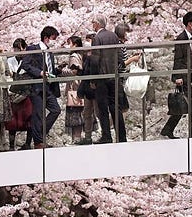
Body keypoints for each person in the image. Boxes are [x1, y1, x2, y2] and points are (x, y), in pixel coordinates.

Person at [165, 11, 192, 139]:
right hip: (182, 75)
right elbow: (178, 58)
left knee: (184, 103)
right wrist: (177, 77)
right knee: (191, 102)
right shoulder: (181, 38)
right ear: (190, 23)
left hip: (190, 74)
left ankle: (168, 129)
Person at [21, 26, 62, 149]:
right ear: (46, 37)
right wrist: (39, 72)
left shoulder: (49, 52)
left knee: (56, 110)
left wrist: (58, 71)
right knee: (38, 114)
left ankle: (39, 133)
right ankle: (38, 141)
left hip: (48, 87)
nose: (55, 41)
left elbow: (50, 68)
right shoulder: (33, 48)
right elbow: (25, 64)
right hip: (36, 86)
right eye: (53, 38)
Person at [90, 15, 126, 143]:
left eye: (93, 22)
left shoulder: (97, 38)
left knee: (103, 108)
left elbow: (95, 60)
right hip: (114, 76)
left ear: (98, 24)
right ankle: (122, 137)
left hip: (102, 78)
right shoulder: (113, 36)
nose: (92, 25)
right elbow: (120, 55)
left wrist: (93, 79)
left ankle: (106, 136)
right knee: (116, 107)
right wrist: (118, 66)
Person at [5, 38, 34, 150]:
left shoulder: (29, 59)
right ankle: (12, 145)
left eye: (19, 48)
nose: (17, 51)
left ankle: (28, 143)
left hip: (26, 92)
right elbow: (10, 74)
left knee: (28, 118)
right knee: (12, 121)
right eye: (16, 48)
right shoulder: (10, 60)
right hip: (13, 91)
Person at [60, 35, 85, 143]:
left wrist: (63, 70)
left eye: (69, 43)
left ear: (75, 44)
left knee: (74, 112)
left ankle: (76, 137)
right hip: (80, 85)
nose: (67, 46)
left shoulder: (73, 56)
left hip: (74, 86)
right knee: (80, 112)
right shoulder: (81, 55)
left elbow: (74, 71)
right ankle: (78, 136)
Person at [114, 22, 144, 112]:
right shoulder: (118, 45)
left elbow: (123, 60)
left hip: (121, 79)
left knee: (123, 107)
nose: (128, 35)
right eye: (126, 32)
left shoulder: (122, 45)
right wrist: (132, 59)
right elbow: (120, 65)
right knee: (123, 107)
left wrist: (132, 57)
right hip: (118, 79)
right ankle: (116, 125)